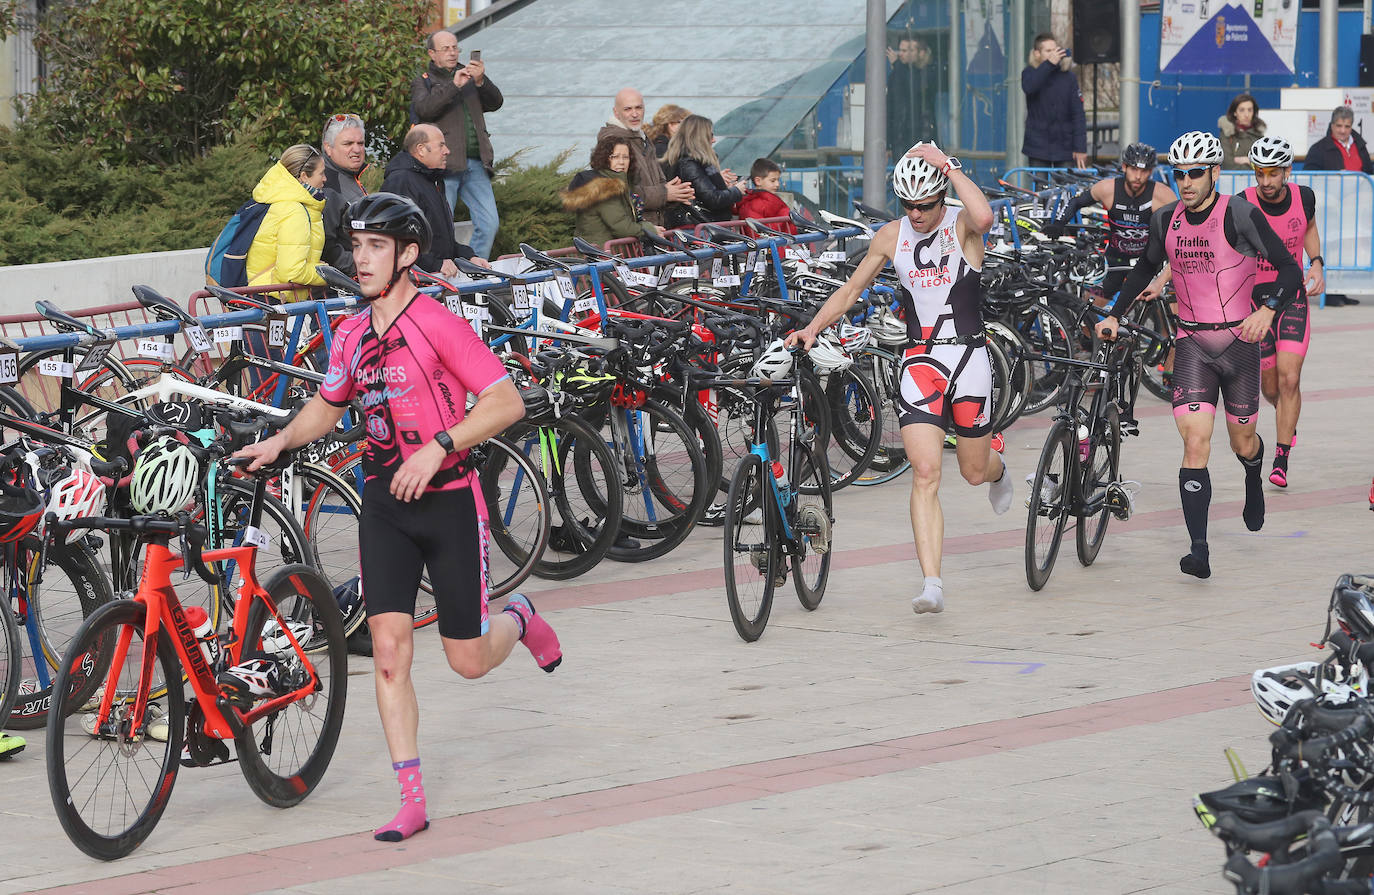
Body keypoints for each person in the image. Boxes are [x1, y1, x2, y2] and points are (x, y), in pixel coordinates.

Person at [232, 192, 557, 844]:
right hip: (383, 503)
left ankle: (518, 619)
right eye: (357, 245)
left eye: (376, 246)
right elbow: (328, 406)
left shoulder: (437, 323)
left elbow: (503, 402)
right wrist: (280, 440)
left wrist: (440, 445)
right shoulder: (351, 333)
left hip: (449, 498)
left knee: (466, 660)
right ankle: (411, 797)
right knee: (387, 652)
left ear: (407, 254)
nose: (362, 257)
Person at [785, 142, 1004, 616]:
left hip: (969, 358)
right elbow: (851, 290)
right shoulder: (891, 235)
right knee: (925, 472)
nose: (917, 213)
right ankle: (932, 583)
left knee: (972, 471)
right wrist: (811, 328)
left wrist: (948, 165)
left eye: (925, 205)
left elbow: (984, 217)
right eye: (908, 205)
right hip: (920, 362)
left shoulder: (962, 226)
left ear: (942, 196)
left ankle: (997, 472)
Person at [1095, 131, 1303, 581]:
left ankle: (1253, 475)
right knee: (1195, 443)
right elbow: (1146, 268)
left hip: (1240, 344)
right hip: (1191, 345)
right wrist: (1113, 313)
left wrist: (1268, 311)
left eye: (1194, 173)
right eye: (1179, 173)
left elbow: (1290, 269)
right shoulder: (1165, 219)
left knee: (1242, 442)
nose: (1185, 182)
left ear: (1214, 172)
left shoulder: (1240, 215)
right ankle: (1199, 550)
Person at [1242, 136, 1325, 489]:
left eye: (1272, 173)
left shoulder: (1304, 197)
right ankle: (1286, 419)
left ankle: (1281, 456)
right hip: (1254, 303)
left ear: (1287, 171)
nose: (1265, 181)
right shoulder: (1242, 203)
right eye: (1260, 173)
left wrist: (1317, 262)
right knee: (1271, 386)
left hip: (1290, 295)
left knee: (1291, 378)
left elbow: (1307, 228)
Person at [411, 29, 503, 260]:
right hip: (444, 164)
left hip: (476, 162)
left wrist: (481, 81)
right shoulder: (424, 81)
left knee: (489, 223)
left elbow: (496, 103)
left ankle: (472, 269)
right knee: (441, 227)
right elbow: (424, 110)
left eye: (455, 47)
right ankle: (443, 272)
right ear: (432, 53)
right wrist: (453, 86)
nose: (452, 53)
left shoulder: (470, 75)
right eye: (446, 48)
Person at [380, 124, 487, 277]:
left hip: (437, 279)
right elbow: (395, 240)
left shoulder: (433, 180)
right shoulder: (400, 182)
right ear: (421, 149)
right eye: (441, 145)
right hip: (416, 284)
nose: (447, 151)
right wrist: (435, 264)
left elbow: (442, 243)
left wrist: (469, 257)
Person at [1303, 106, 1371, 306]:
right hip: (1330, 208)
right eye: (1339, 126)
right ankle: (1330, 292)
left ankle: (1344, 289)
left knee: (1349, 247)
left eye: (1347, 126)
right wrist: (1334, 176)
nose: (1343, 130)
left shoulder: (1359, 145)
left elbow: (1367, 168)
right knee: (1331, 248)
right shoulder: (1319, 148)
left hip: (1356, 206)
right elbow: (1310, 173)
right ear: (1331, 125)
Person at [597, 88, 695, 228]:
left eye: (639, 107)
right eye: (628, 109)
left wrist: (678, 194)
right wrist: (665, 193)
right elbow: (619, 191)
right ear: (616, 112)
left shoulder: (642, 139)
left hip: (655, 228)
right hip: (633, 231)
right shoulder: (612, 142)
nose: (635, 114)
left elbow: (659, 183)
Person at [244, 144, 327, 292]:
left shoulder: (279, 199)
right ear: (304, 177)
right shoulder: (293, 211)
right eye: (321, 174)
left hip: (260, 293)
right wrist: (326, 274)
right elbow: (291, 272)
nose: (325, 179)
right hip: (271, 298)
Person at [559, 134, 662, 245]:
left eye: (625, 157)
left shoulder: (621, 184)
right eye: (615, 157)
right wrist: (650, 229)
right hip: (603, 255)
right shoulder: (605, 188)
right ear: (603, 158)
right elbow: (622, 228)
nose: (621, 162)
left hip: (606, 254)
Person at [662, 114, 747, 229]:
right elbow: (713, 199)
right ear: (699, 138)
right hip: (699, 229)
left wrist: (722, 184)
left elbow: (706, 192)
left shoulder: (695, 162)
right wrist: (736, 190)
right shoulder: (689, 164)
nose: (714, 140)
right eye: (710, 135)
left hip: (703, 227)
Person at [1020, 33, 1087, 169]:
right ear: (1037, 53)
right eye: (1048, 51)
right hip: (1037, 146)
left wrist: (1080, 147)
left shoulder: (1068, 78)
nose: (1053, 54)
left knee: (1065, 188)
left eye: (1055, 50)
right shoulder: (1029, 72)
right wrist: (1049, 64)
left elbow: (1078, 114)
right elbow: (1029, 87)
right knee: (1038, 188)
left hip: (1064, 147)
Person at [320, 113, 368, 276]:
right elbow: (325, 246)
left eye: (360, 143)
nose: (357, 149)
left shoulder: (350, 177)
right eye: (348, 143)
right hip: (344, 289)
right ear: (328, 147)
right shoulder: (326, 183)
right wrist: (361, 268)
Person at [887, 34, 938, 160]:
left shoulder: (927, 72)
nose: (900, 54)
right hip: (901, 137)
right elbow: (890, 109)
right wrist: (888, 143)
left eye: (905, 51)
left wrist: (898, 65)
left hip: (921, 135)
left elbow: (916, 88)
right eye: (900, 50)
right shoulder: (897, 74)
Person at [733, 158, 796, 234]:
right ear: (758, 181)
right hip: (778, 244)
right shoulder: (753, 205)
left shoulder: (761, 201)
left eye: (778, 180)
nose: (777, 184)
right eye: (773, 180)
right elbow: (756, 234)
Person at [1218, 93, 1266, 170]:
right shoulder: (1227, 133)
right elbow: (1228, 164)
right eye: (1242, 110)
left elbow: (1263, 165)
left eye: (1250, 110)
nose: (1246, 114)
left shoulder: (1259, 136)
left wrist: (1248, 160)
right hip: (1231, 180)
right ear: (1235, 112)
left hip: (1255, 181)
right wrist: (1252, 164)